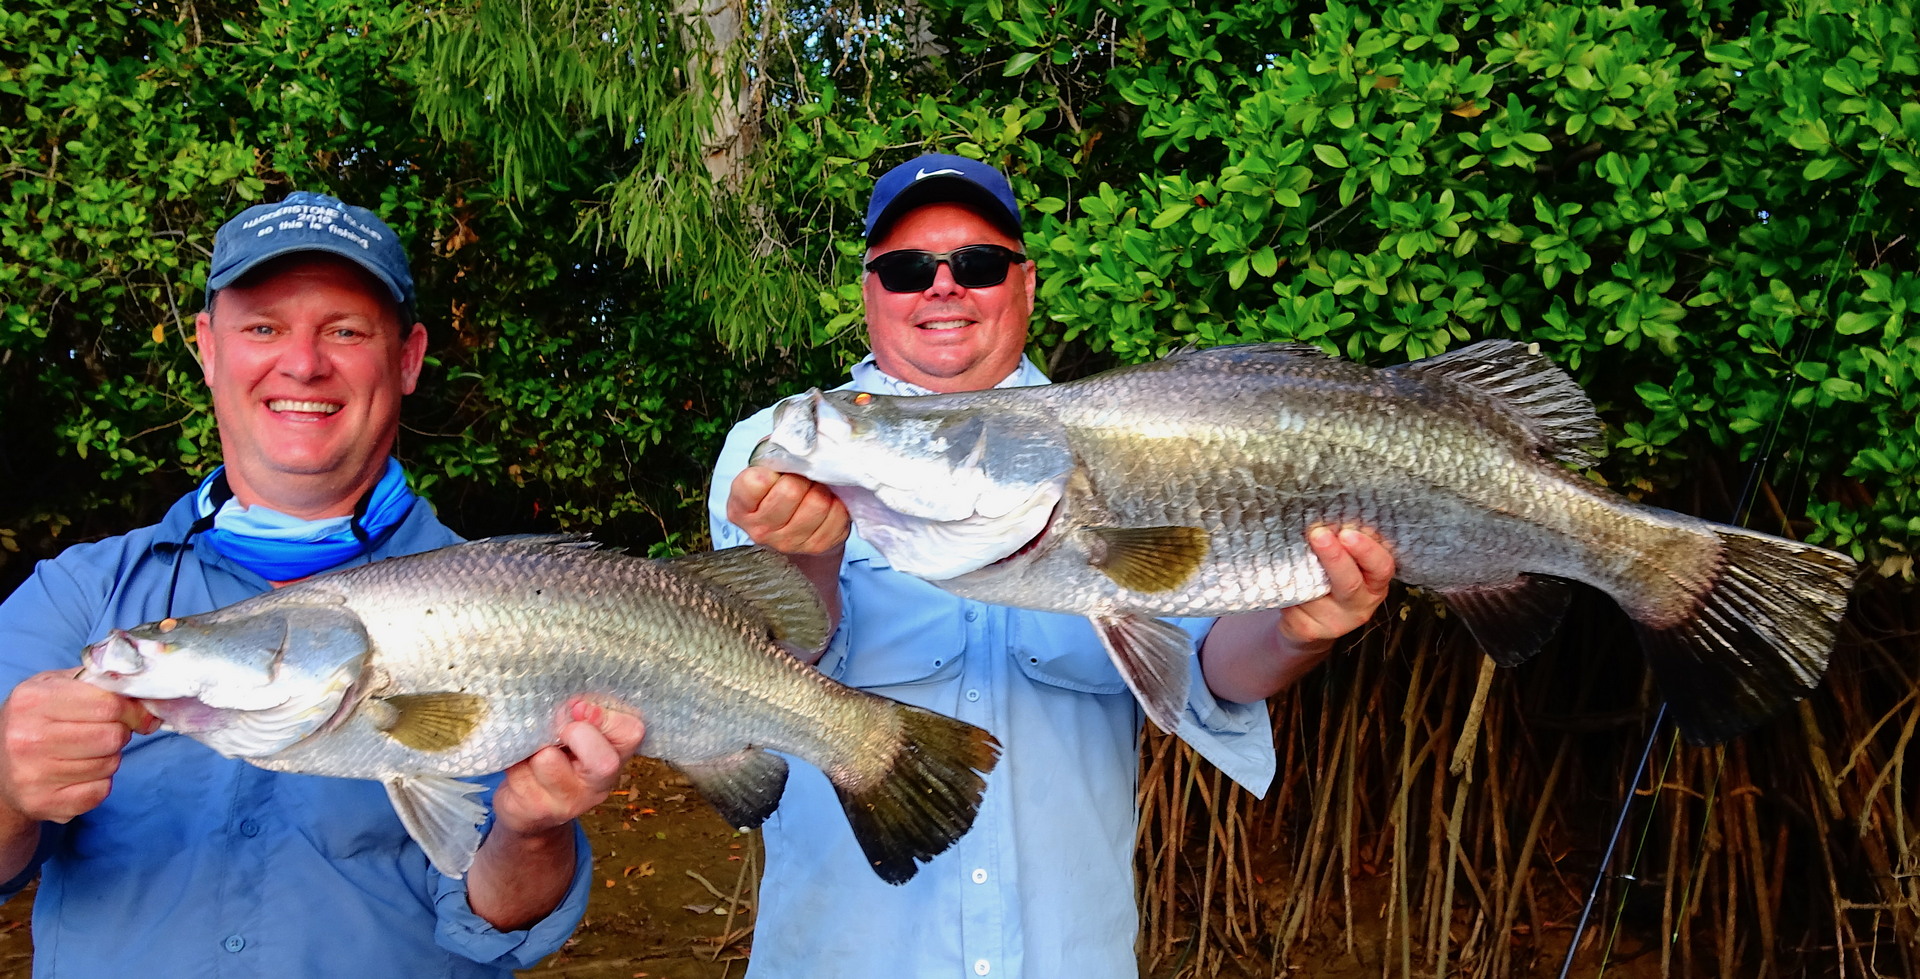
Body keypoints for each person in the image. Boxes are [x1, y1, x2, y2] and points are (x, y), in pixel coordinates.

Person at [709, 155, 1397, 978]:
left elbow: (1214, 675)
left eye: (978, 264)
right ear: (868, 291)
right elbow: (744, 685)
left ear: (1025, 284)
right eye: (904, 269)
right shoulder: (780, 454)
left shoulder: (1142, 444)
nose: (942, 287)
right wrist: (808, 566)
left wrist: (1298, 629)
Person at [0, 192, 644, 976]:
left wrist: (531, 831)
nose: (303, 363)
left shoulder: (512, 606)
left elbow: (500, 922)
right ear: (208, 347)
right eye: (263, 326)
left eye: (344, 330)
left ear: (406, 359)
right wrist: (8, 785)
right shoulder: (75, 595)